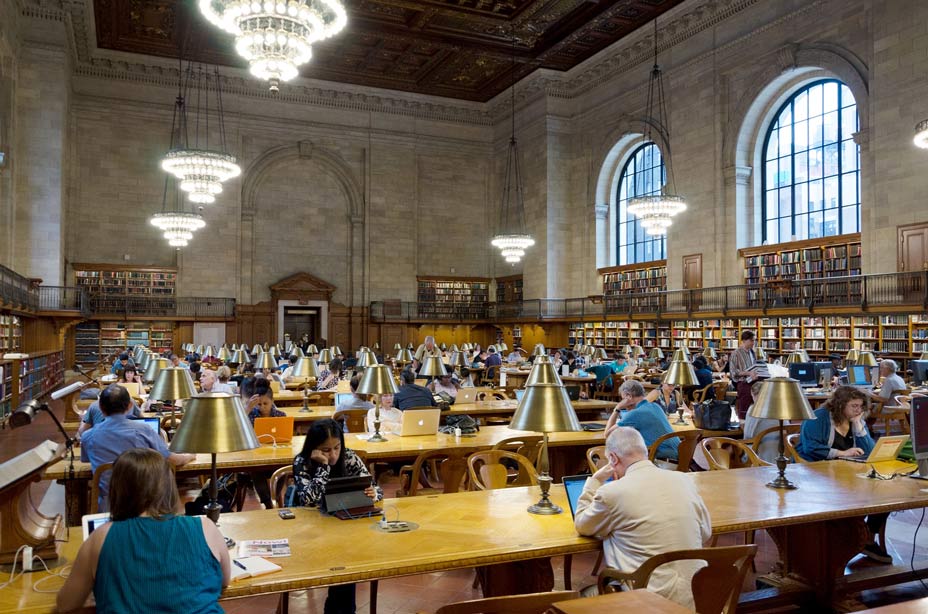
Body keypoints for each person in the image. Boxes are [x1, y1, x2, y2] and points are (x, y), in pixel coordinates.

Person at [56, 448, 230, 614]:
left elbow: (66, 604)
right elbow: (224, 580)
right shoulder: (205, 526)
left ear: (117, 490)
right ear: (169, 486)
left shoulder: (102, 536)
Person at [574, 427, 711, 609]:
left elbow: (582, 525)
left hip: (646, 602)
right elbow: (706, 533)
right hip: (698, 597)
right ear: (644, 451)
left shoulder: (612, 492)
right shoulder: (685, 480)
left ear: (613, 458)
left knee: (582, 597)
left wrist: (594, 481)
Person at [292, 419, 382, 614]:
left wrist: (373, 492)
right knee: (344, 565)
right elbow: (308, 499)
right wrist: (323, 468)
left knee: (347, 563)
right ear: (314, 448)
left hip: (345, 525)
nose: (333, 455)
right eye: (325, 450)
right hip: (312, 532)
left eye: (336, 447)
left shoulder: (349, 456)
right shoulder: (302, 462)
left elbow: (375, 487)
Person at [795, 386, 889, 563]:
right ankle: (852, 539)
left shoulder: (855, 420)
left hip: (848, 472)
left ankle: (867, 536)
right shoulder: (819, 417)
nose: (858, 410)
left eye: (861, 406)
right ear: (840, 405)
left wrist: (859, 427)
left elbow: (869, 450)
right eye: (854, 405)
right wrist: (841, 453)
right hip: (817, 472)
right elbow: (811, 448)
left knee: (884, 492)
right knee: (853, 495)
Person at [80, 385, 194, 511]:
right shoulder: (144, 430)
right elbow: (171, 459)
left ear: (100, 407)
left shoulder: (88, 436)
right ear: (130, 406)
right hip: (145, 504)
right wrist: (189, 456)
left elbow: (86, 460)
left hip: (109, 506)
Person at [606, 380, 678, 461]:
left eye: (623, 399)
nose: (623, 402)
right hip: (681, 455)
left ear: (628, 396)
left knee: (620, 454)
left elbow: (608, 434)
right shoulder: (655, 406)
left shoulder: (635, 413)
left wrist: (617, 408)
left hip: (666, 460)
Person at [741, 381, 777, 462]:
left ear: (753, 394)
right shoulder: (779, 407)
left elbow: (748, 435)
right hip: (782, 456)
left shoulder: (754, 409)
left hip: (760, 457)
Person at [729, 331, 757, 419]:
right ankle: (743, 429)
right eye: (751, 341)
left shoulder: (752, 352)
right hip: (743, 384)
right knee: (744, 409)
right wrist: (748, 373)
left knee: (753, 409)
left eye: (754, 341)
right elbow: (733, 372)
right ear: (744, 340)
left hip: (754, 383)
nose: (753, 343)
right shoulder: (736, 353)